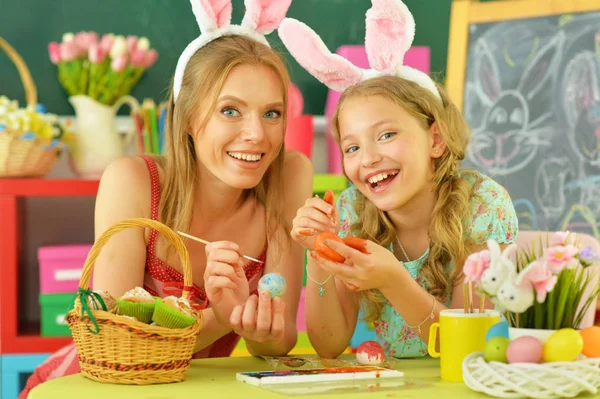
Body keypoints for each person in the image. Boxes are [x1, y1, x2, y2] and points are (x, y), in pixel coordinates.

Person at [21, 0, 312, 396]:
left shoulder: (288, 176)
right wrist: (223, 316)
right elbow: (122, 350)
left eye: (272, 114)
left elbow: (277, 343)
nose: (257, 135)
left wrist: (251, 323)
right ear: (189, 116)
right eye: (230, 111)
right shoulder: (133, 181)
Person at [279, 0, 518, 359]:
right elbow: (328, 345)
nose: (369, 158)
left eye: (387, 135)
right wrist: (319, 252)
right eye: (352, 147)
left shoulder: (482, 206)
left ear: (435, 139)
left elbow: (471, 348)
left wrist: (392, 278)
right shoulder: (349, 212)